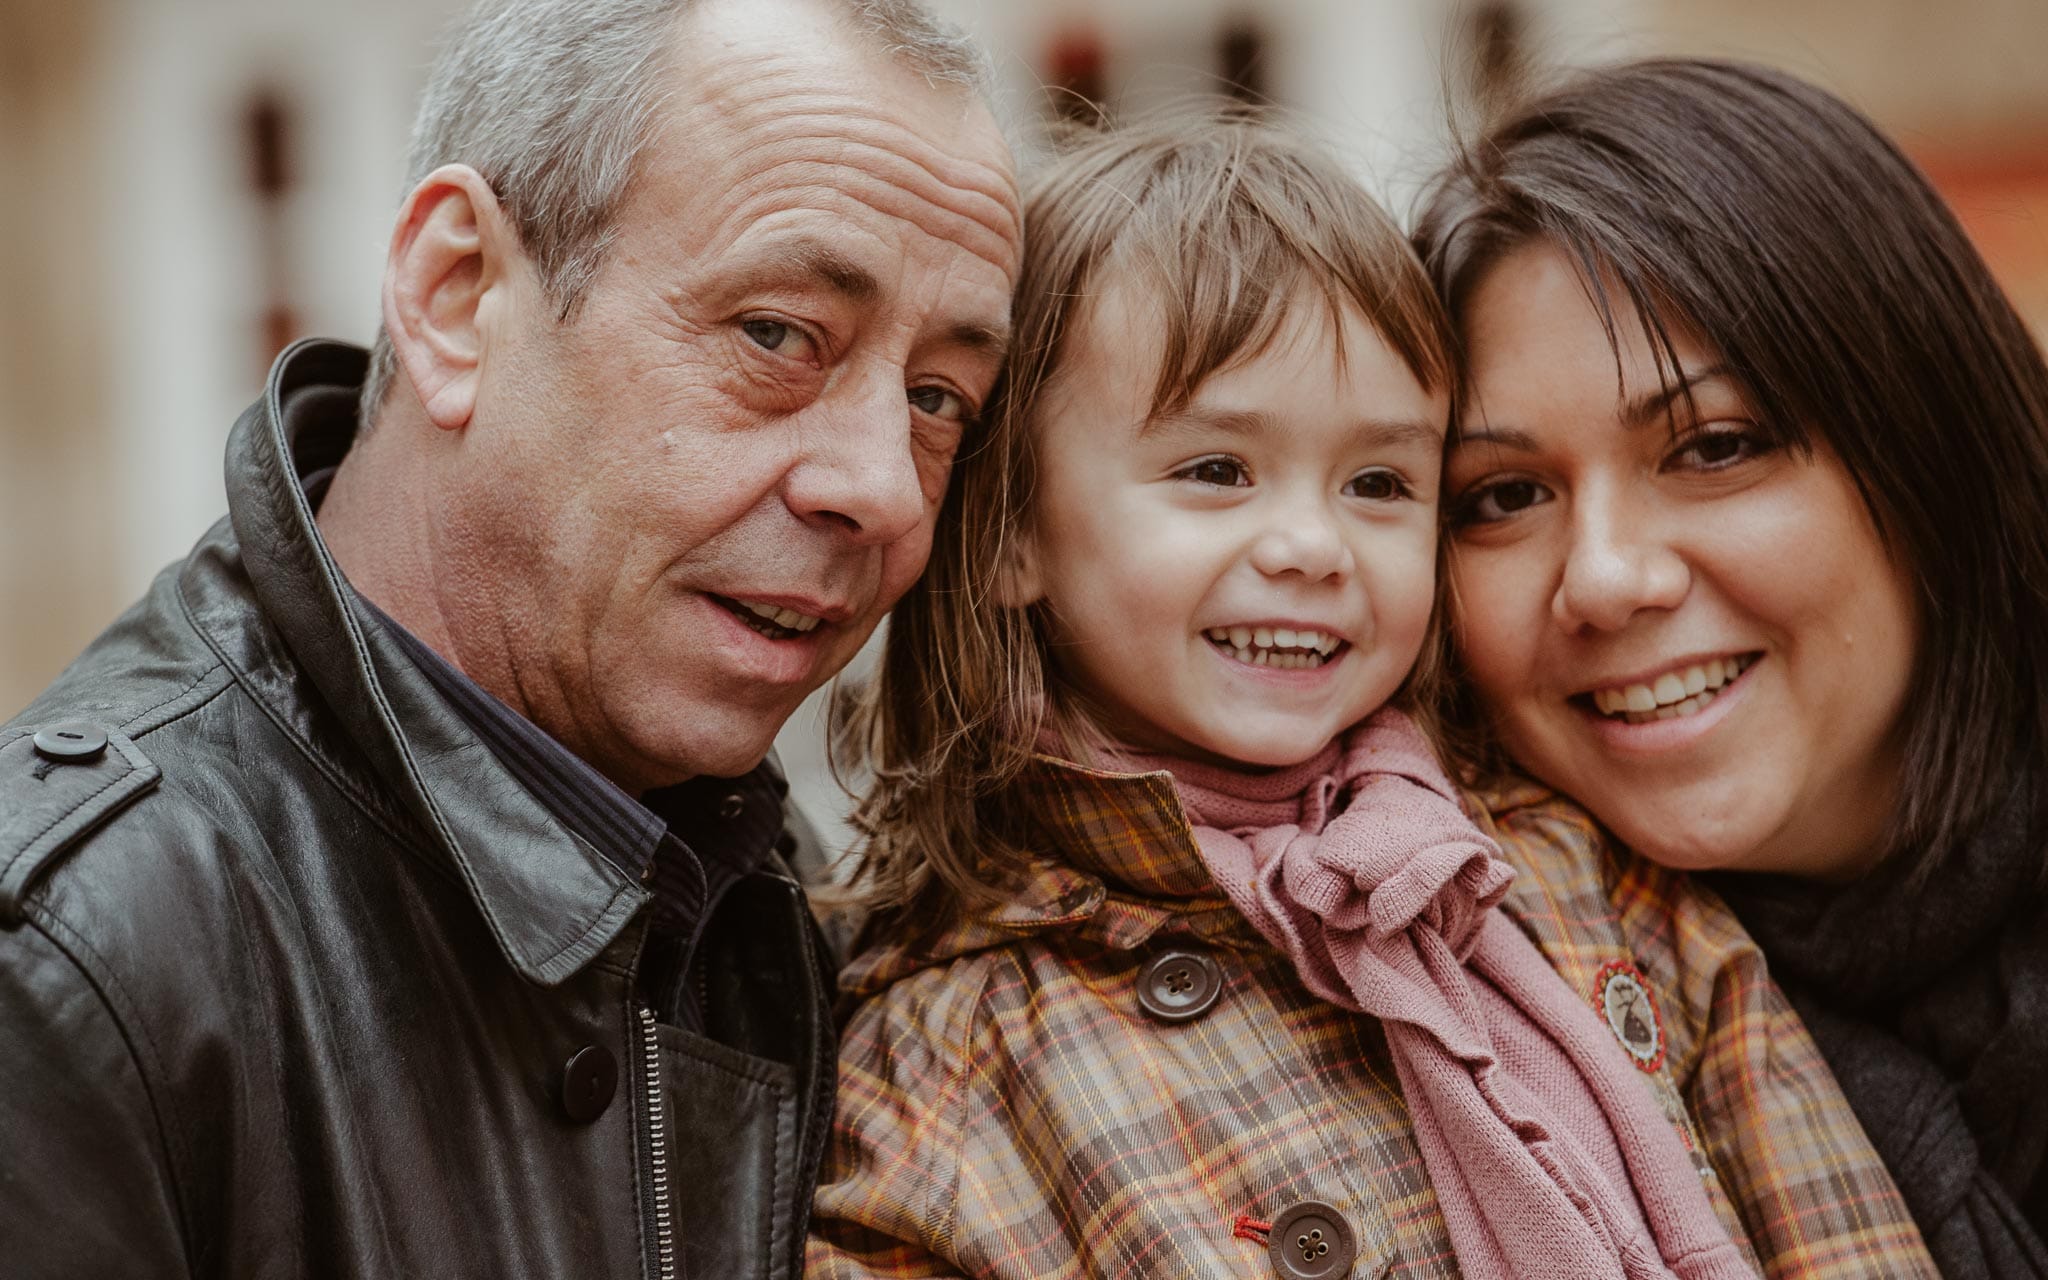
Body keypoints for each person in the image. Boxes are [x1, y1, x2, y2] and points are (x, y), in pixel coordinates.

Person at [805, 113, 1925, 1280]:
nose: (1310, 544)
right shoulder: (935, 1067)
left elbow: (1839, 1231)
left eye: (1379, 480)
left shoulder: (1577, 872)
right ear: (1008, 535)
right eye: (1215, 470)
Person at [0, 0, 1019, 1274]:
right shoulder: (68, 955)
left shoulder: (771, 884)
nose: (881, 486)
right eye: (775, 334)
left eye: (937, 397)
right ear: (455, 293)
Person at [1418, 57, 2048, 1278]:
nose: (1602, 577)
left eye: (1712, 446)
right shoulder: (1441, 1030)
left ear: (1933, 450)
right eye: (1500, 495)